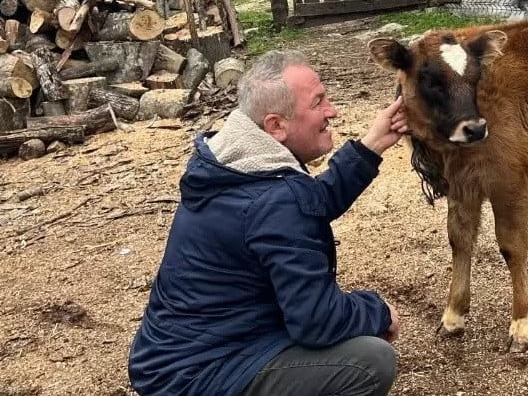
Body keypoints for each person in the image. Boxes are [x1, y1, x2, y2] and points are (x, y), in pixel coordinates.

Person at [128, 49, 408, 396]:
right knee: (368, 361)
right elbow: (318, 321)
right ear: (276, 126)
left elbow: (307, 206)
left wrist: (372, 144)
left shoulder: (233, 163)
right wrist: (377, 311)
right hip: (198, 378)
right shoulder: (273, 201)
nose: (331, 111)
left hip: (178, 358)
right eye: (318, 102)